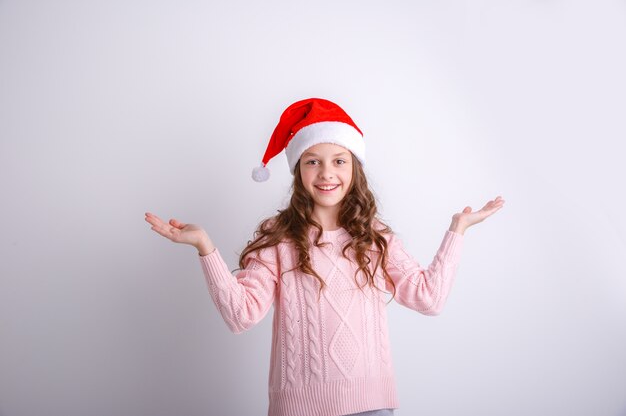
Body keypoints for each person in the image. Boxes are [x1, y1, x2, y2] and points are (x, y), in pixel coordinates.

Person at [144, 98, 505, 416]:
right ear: (298, 171)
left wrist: (458, 229)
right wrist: (205, 246)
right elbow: (241, 316)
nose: (326, 173)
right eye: (313, 161)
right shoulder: (278, 238)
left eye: (339, 161)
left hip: (370, 407)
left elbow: (429, 298)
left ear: (354, 169)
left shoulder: (374, 236)